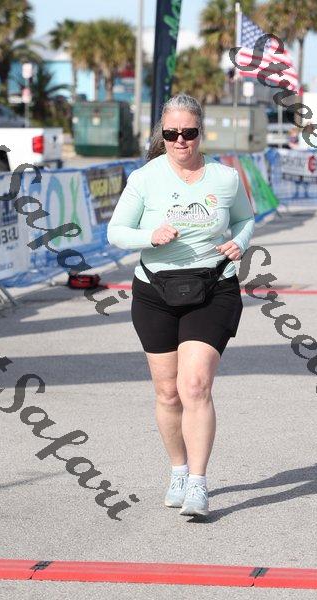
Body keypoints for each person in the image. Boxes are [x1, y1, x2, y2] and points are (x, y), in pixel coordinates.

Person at [107, 93, 255, 518]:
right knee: (168, 392)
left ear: (200, 132)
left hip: (213, 288)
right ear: (162, 134)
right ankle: (178, 470)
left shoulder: (224, 178)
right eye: (171, 133)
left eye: (188, 132)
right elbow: (116, 232)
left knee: (194, 386)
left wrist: (239, 243)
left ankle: (198, 484)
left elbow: (245, 218)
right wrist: (149, 236)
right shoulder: (145, 178)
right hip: (155, 293)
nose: (180, 141)